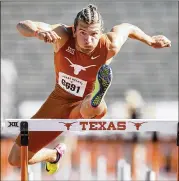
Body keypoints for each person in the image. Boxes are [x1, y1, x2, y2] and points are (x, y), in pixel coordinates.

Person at [8, 4, 171, 174]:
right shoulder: (62, 35)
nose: (88, 40)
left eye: (94, 34)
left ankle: (97, 96)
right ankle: (54, 155)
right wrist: (37, 32)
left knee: (89, 106)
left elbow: (127, 28)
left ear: (100, 33)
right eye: (83, 33)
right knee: (15, 158)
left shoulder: (109, 45)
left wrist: (150, 40)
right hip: (58, 101)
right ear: (74, 30)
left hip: (84, 105)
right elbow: (22, 25)